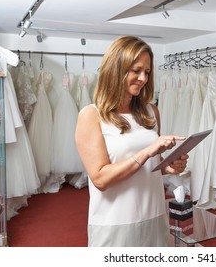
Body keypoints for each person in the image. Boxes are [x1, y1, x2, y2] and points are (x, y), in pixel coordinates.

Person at [75, 35, 188, 247]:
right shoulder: (91, 115)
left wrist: (169, 167)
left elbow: (151, 165)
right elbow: (100, 179)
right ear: (116, 69)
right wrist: (147, 151)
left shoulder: (151, 111)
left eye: (147, 72)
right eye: (136, 71)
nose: (143, 78)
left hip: (154, 212)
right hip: (115, 220)